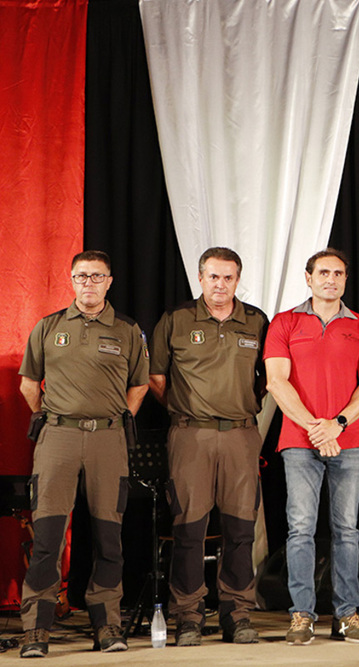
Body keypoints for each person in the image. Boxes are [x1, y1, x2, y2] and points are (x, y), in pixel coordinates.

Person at [18, 250, 149, 658]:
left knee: (109, 539)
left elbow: (140, 385)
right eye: (81, 276)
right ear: (71, 280)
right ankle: (36, 630)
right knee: (48, 537)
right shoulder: (49, 326)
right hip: (58, 438)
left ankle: (107, 624)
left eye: (97, 276)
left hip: (108, 441)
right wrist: (50, 419)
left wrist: (115, 417)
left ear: (110, 281)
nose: (88, 283)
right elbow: (28, 383)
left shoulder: (127, 329)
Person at [148, 247, 268, 646]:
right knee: (188, 529)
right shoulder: (177, 320)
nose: (221, 285)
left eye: (228, 277)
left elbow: (268, 379)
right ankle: (188, 617)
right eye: (213, 277)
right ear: (200, 278)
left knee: (240, 530)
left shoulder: (255, 321)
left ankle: (237, 613)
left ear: (238, 280)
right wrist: (186, 411)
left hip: (240, 435)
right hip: (190, 436)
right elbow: (156, 376)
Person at [264, 249, 359, 645]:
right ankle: (302, 614)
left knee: (346, 529)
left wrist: (338, 424)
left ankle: (347, 614)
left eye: (339, 273)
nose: (331, 279)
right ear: (308, 278)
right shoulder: (285, 322)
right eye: (324, 272)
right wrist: (316, 428)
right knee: (300, 530)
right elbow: (277, 382)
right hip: (299, 442)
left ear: (345, 280)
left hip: (349, 442)